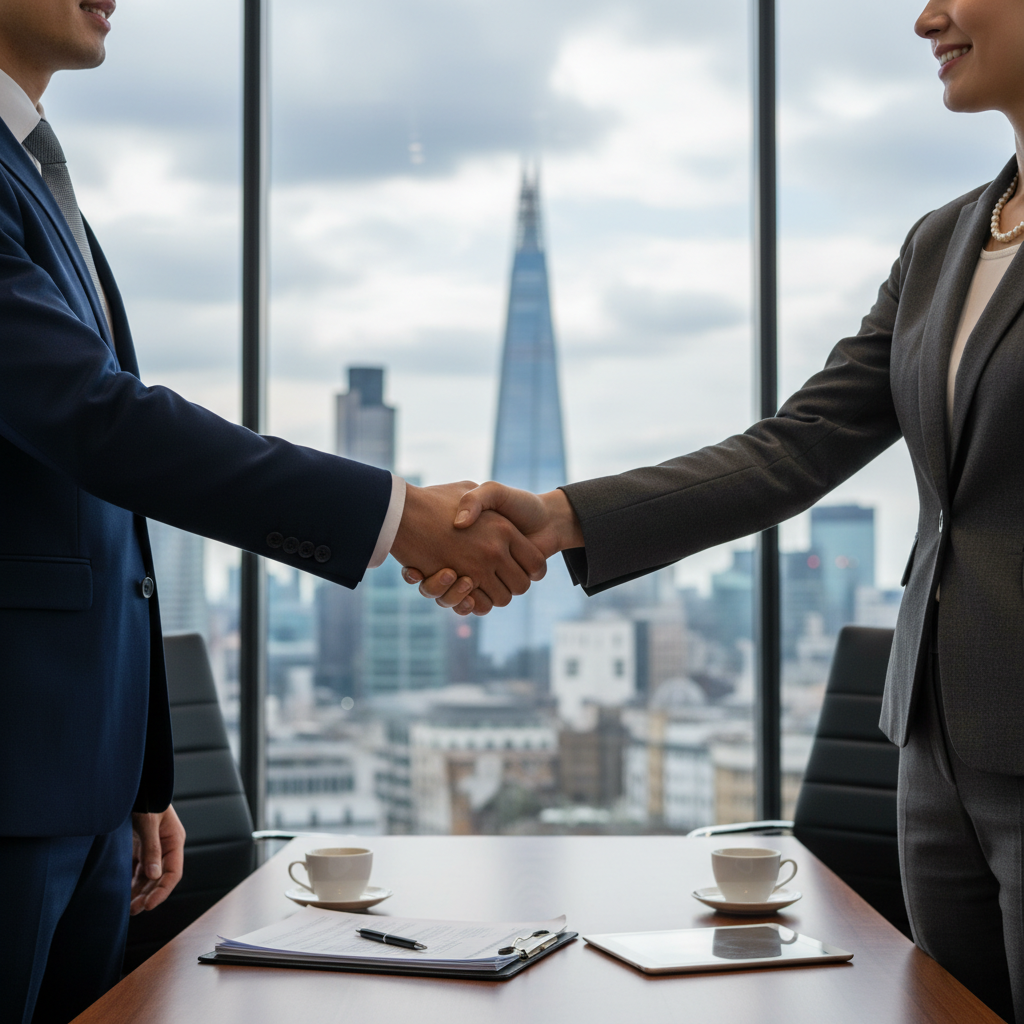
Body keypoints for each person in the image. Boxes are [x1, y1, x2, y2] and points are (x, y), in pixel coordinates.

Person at [407, 0, 1024, 1020]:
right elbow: (795, 448)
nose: (925, 17)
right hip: (934, 749)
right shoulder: (941, 243)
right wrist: (560, 515)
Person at [0, 3, 546, 1022]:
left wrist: (136, 773)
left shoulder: (31, 169)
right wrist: (395, 516)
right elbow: (98, 423)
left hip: (76, 783)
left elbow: (98, 530)